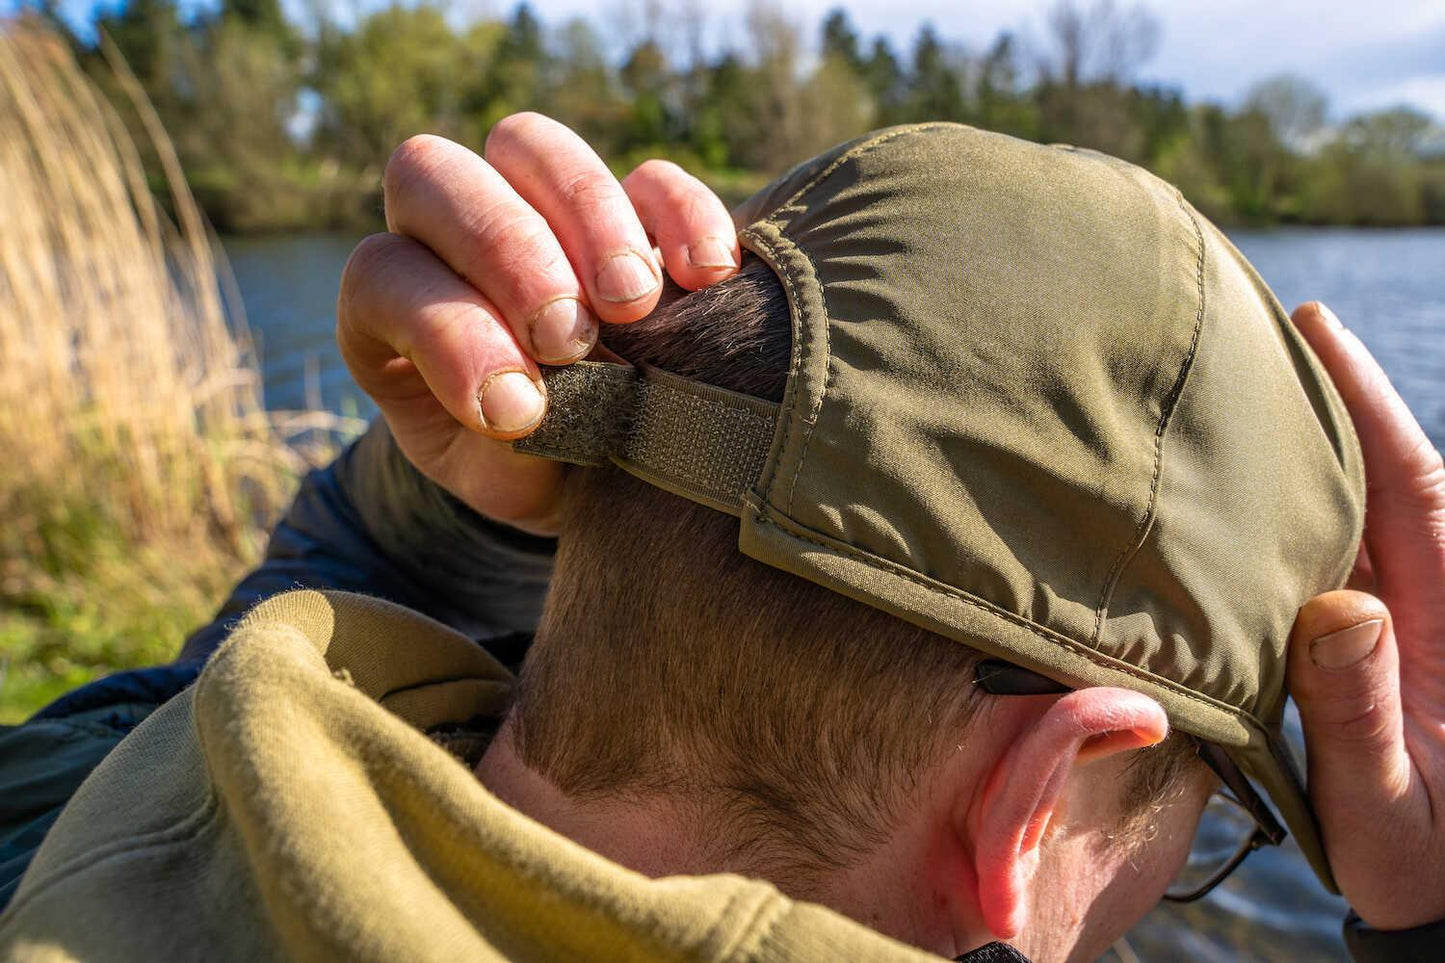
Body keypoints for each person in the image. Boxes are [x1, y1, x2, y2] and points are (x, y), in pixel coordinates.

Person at [0, 114, 1441, 963]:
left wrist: (440, 525)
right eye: (1195, 833)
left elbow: (252, 655)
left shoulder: (83, 796)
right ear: (1046, 799)